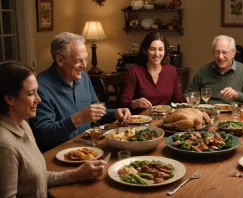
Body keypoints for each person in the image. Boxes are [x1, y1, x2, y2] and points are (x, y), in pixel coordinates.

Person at [0, 63, 107, 197]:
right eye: (31, 93)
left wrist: (76, 174)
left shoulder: (23, 126)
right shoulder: (5, 145)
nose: (38, 99)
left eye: (37, 92)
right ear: (10, 99)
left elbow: (35, 178)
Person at [29, 32, 131, 152]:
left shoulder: (84, 78)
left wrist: (115, 113)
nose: (84, 65)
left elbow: (95, 115)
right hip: (57, 155)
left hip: (87, 149)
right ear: (60, 60)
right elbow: (43, 135)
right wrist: (76, 119)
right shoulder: (41, 87)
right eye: (79, 60)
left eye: (85, 60)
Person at [183, 35, 243, 106]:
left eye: (224, 52)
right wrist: (190, 98)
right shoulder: (203, 70)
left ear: (233, 53)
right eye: (217, 52)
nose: (220, 57)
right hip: (207, 114)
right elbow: (188, 93)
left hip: (233, 115)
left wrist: (237, 95)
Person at [120, 31, 184, 113]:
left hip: (164, 119)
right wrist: (135, 103)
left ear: (165, 51)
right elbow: (123, 103)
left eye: (160, 49)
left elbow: (178, 100)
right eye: (152, 49)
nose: (157, 54)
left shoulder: (171, 70)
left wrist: (187, 100)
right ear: (145, 50)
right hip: (140, 120)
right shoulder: (134, 71)